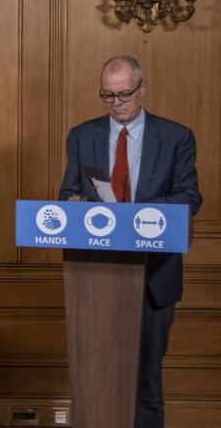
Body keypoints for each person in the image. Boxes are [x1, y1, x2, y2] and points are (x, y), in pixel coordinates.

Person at [59, 55, 201, 428]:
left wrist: (134, 217)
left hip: (154, 277)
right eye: (108, 95)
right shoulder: (81, 135)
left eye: (124, 94)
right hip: (93, 277)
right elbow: (68, 194)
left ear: (142, 88)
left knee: (146, 382)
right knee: (96, 378)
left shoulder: (176, 137)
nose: (117, 103)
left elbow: (189, 198)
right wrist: (73, 203)